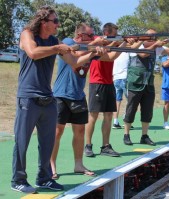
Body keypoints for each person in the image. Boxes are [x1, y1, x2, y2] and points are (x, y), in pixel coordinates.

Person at [11, 6, 104, 194]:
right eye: (55, 21)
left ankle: (44, 178)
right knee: (22, 141)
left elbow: (75, 62)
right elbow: (33, 53)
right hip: (28, 97)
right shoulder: (27, 34)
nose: (58, 24)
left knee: (47, 141)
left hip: (48, 98)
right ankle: (18, 179)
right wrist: (57, 48)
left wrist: (93, 53)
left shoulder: (54, 41)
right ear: (44, 22)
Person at [122, 28, 169, 146]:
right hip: (136, 82)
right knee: (131, 109)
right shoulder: (137, 45)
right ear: (145, 36)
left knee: (147, 111)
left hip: (148, 83)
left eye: (155, 36)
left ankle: (144, 136)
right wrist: (155, 45)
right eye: (152, 36)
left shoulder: (156, 47)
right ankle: (126, 135)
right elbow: (143, 54)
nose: (154, 38)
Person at [50, 23, 98, 180]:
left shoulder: (89, 48)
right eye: (91, 35)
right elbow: (75, 57)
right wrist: (93, 49)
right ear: (81, 35)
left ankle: (78, 164)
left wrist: (119, 44)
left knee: (80, 131)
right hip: (61, 95)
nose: (93, 38)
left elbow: (109, 56)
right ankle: (51, 165)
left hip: (78, 95)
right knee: (57, 132)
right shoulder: (68, 42)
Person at [84, 23, 135, 157]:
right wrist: (123, 43)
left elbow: (130, 47)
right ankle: (88, 145)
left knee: (108, 116)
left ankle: (105, 146)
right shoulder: (97, 42)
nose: (115, 37)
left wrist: (128, 42)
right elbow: (112, 56)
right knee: (93, 116)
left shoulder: (112, 44)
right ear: (106, 32)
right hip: (97, 82)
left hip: (109, 82)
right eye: (113, 34)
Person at [112, 52, 132, 129]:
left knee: (117, 100)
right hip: (125, 77)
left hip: (116, 78)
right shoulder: (127, 53)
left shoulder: (115, 53)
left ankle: (115, 121)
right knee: (129, 100)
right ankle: (126, 120)